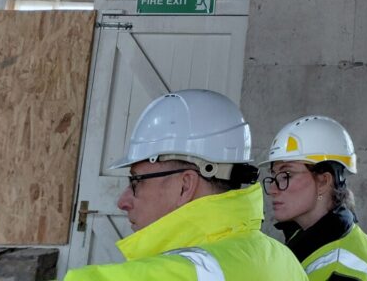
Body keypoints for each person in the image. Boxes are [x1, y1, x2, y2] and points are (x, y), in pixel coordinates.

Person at [66, 89, 307, 281]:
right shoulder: (284, 260)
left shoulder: (182, 272)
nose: (122, 201)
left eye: (136, 181)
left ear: (185, 185)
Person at [262, 116, 367, 281]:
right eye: (273, 176)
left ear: (323, 181)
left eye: (286, 175)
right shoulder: (305, 239)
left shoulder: (344, 269)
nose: (272, 190)